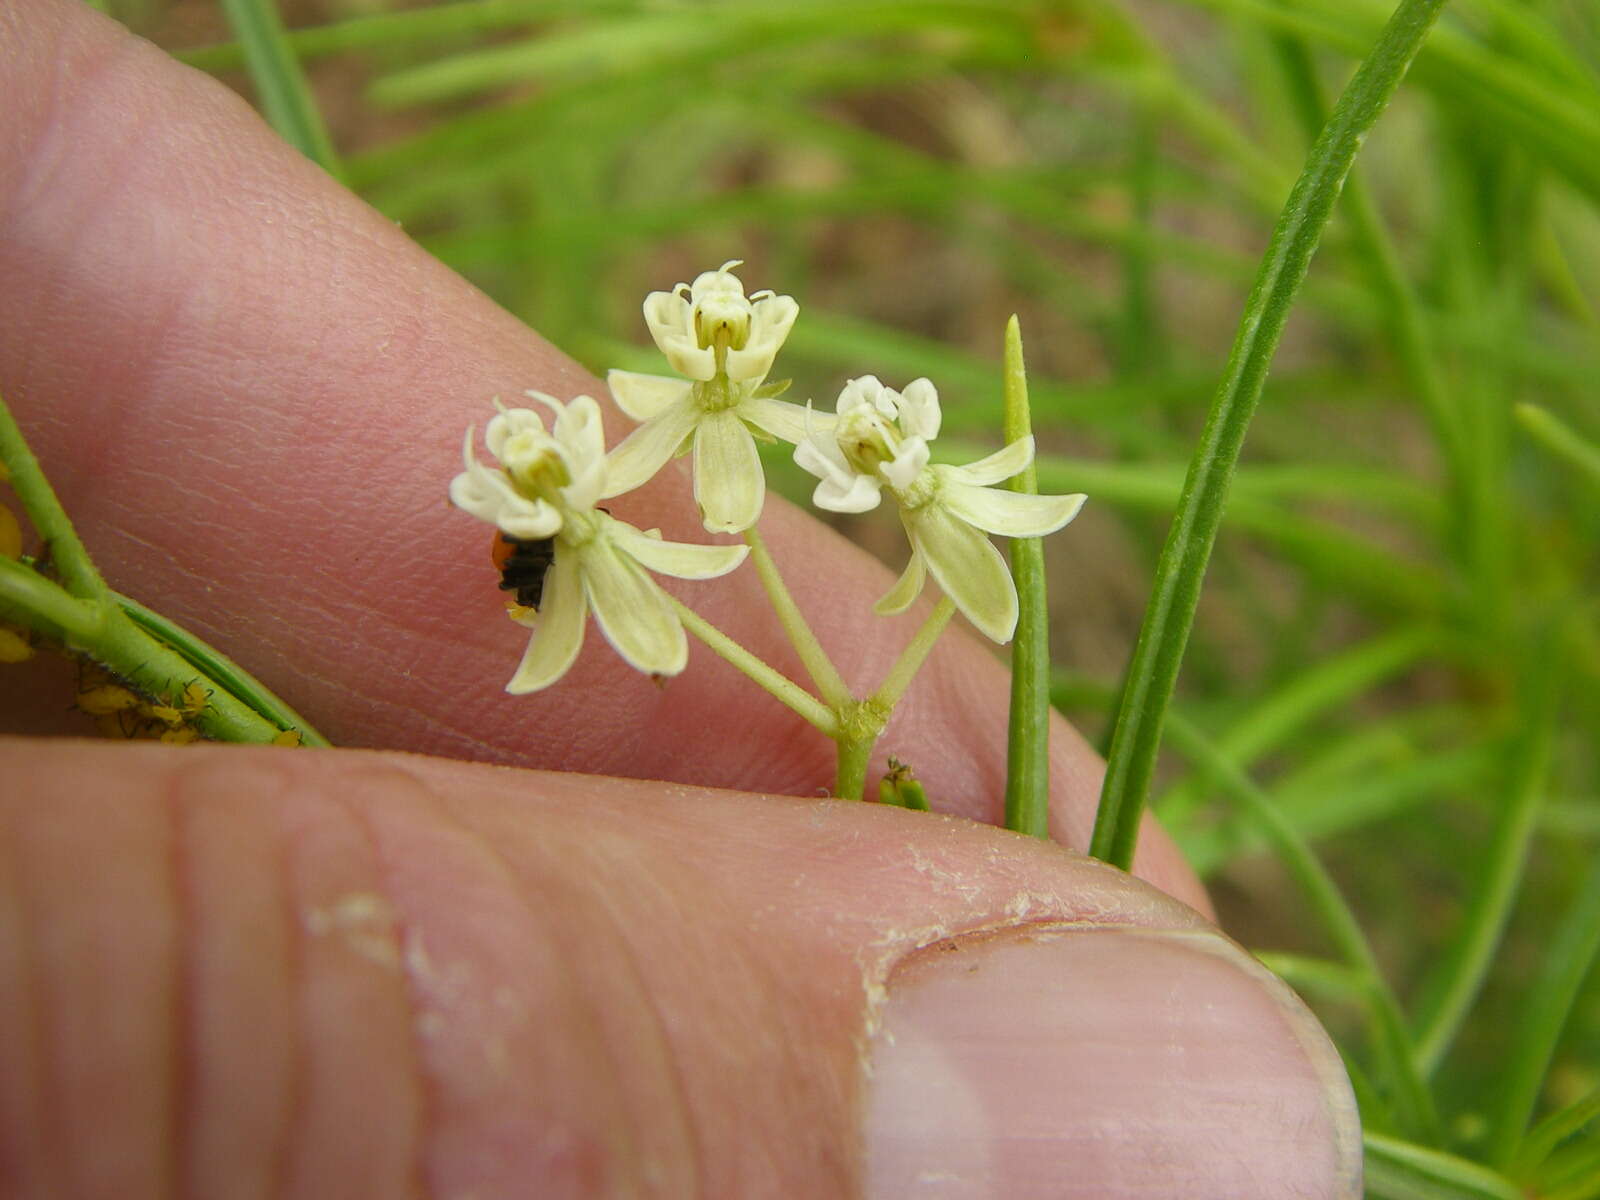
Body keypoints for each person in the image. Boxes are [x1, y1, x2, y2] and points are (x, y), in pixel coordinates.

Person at [0, 1, 1360, 1194]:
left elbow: (750, 542)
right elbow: (715, 542)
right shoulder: (654, 490)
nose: (717, 347)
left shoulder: (760, 490)